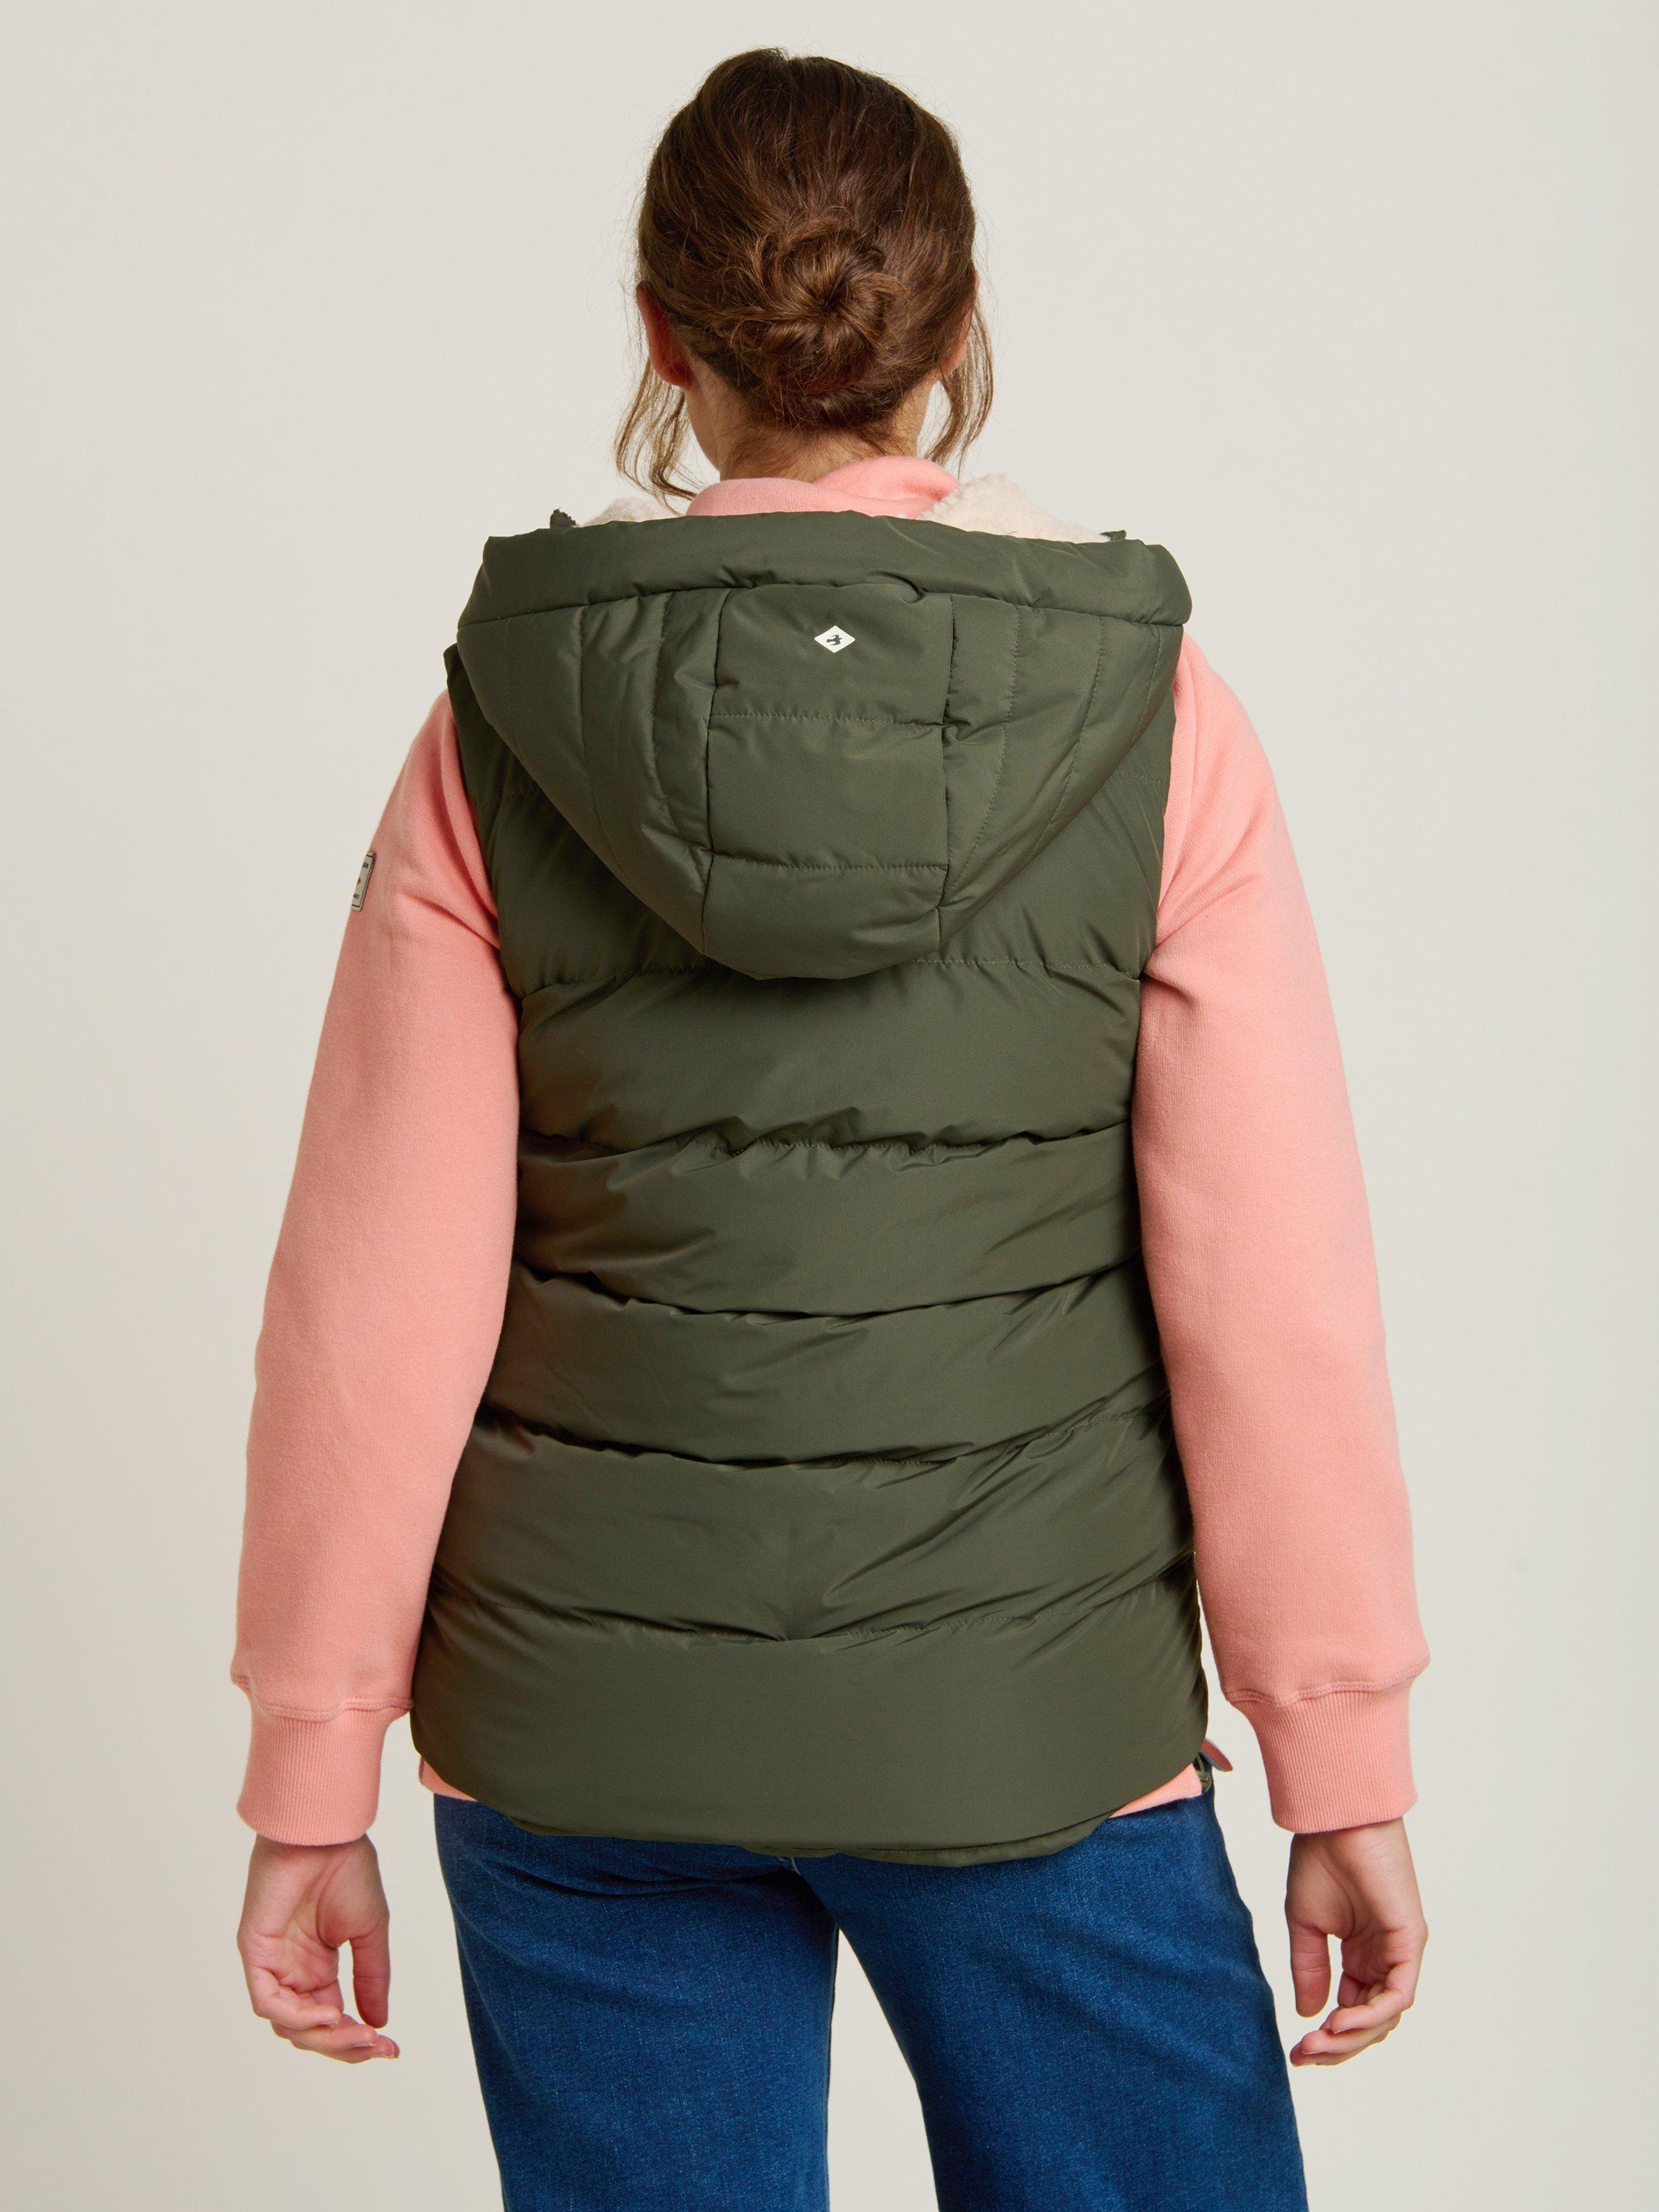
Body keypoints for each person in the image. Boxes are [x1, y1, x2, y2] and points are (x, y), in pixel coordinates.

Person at [233, 47, 1428, 2212]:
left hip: (587, 1742)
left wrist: (310, 1768)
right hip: (1034, 1726)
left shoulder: (496, 722)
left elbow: (368, 1307)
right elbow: (1274, 1297)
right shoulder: (1156, 716)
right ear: (952, 334)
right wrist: (1337, 1748)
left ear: (662, 336)